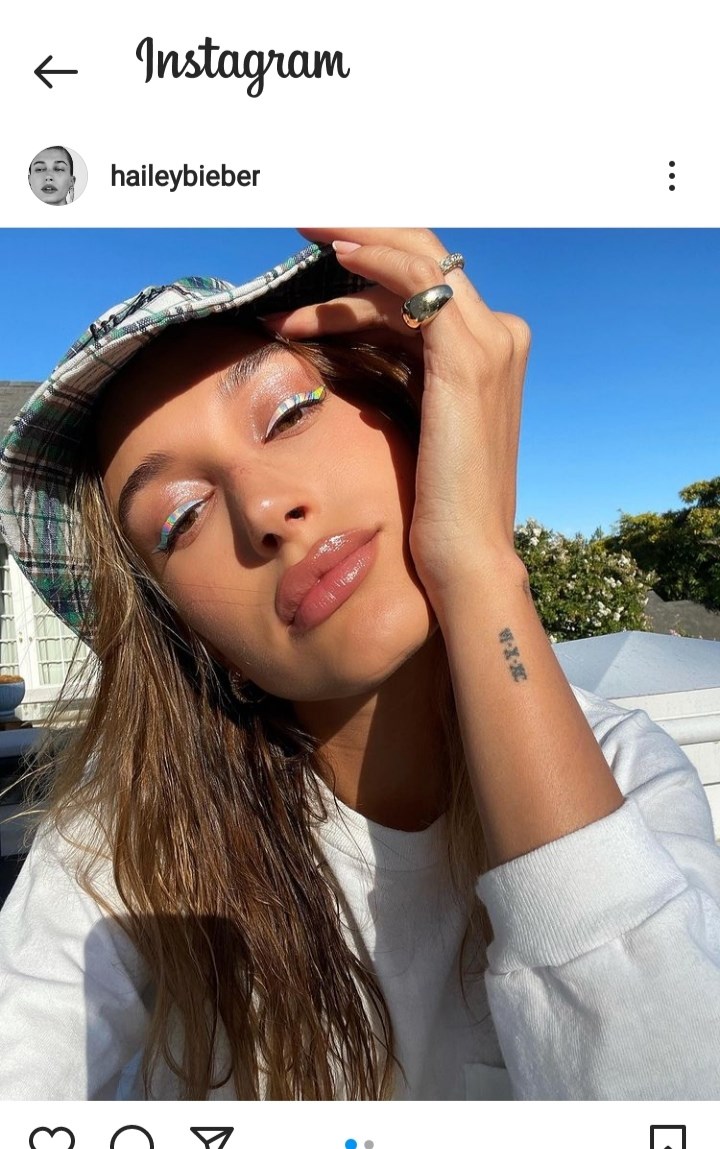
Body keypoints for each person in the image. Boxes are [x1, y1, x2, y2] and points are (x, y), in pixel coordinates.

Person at [0, 228, 719, 1101]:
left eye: (288, 413)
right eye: (181, 516)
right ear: (194, 639)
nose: (266, 508)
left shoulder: (625, 772)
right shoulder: (120, 851)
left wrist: (481, 568)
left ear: (408, 418)